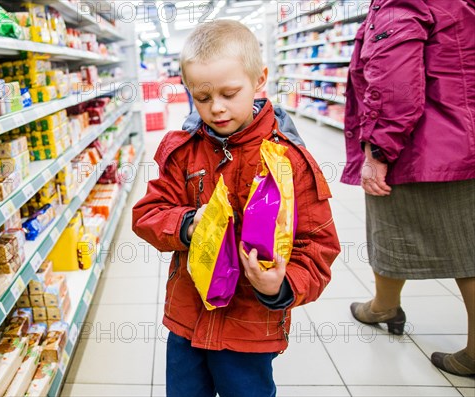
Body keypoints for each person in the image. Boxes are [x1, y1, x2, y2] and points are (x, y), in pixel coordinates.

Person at [132, 20, 340, 396]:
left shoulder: (289, 161)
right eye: (202, 97)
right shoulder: (184, 151)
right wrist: (186, 223)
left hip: (251, 325)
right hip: (187, 317)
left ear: (260, 79)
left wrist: (282, 285)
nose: (217, 109)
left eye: (230, 93)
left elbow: (319, 246)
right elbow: (147, 213)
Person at [341, 0, 475, 377]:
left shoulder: (401, 2)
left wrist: (380, 148)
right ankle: (384, 306)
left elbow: (394, 80)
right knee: (456, 238)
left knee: (463, 250)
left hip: (426, 144)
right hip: (461, 133)